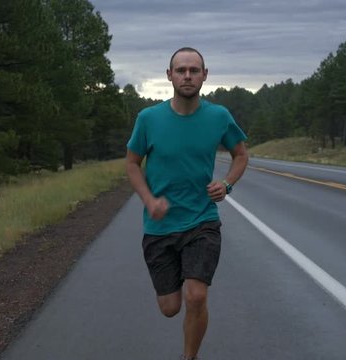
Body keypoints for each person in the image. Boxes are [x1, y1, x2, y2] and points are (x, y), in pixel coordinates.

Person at [125, 47, 249, 360]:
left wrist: (227, 184)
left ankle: (189, 357)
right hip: (160, 226)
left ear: (205, 75)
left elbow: (241, 154)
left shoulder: (218, 117)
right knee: (170, 308)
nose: (188, 76)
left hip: (202, 221)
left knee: (196, 295)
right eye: (181, 70)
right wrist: (149, 199)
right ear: (169, 76)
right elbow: (131, 164)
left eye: (194, 70)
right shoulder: (149, 119)